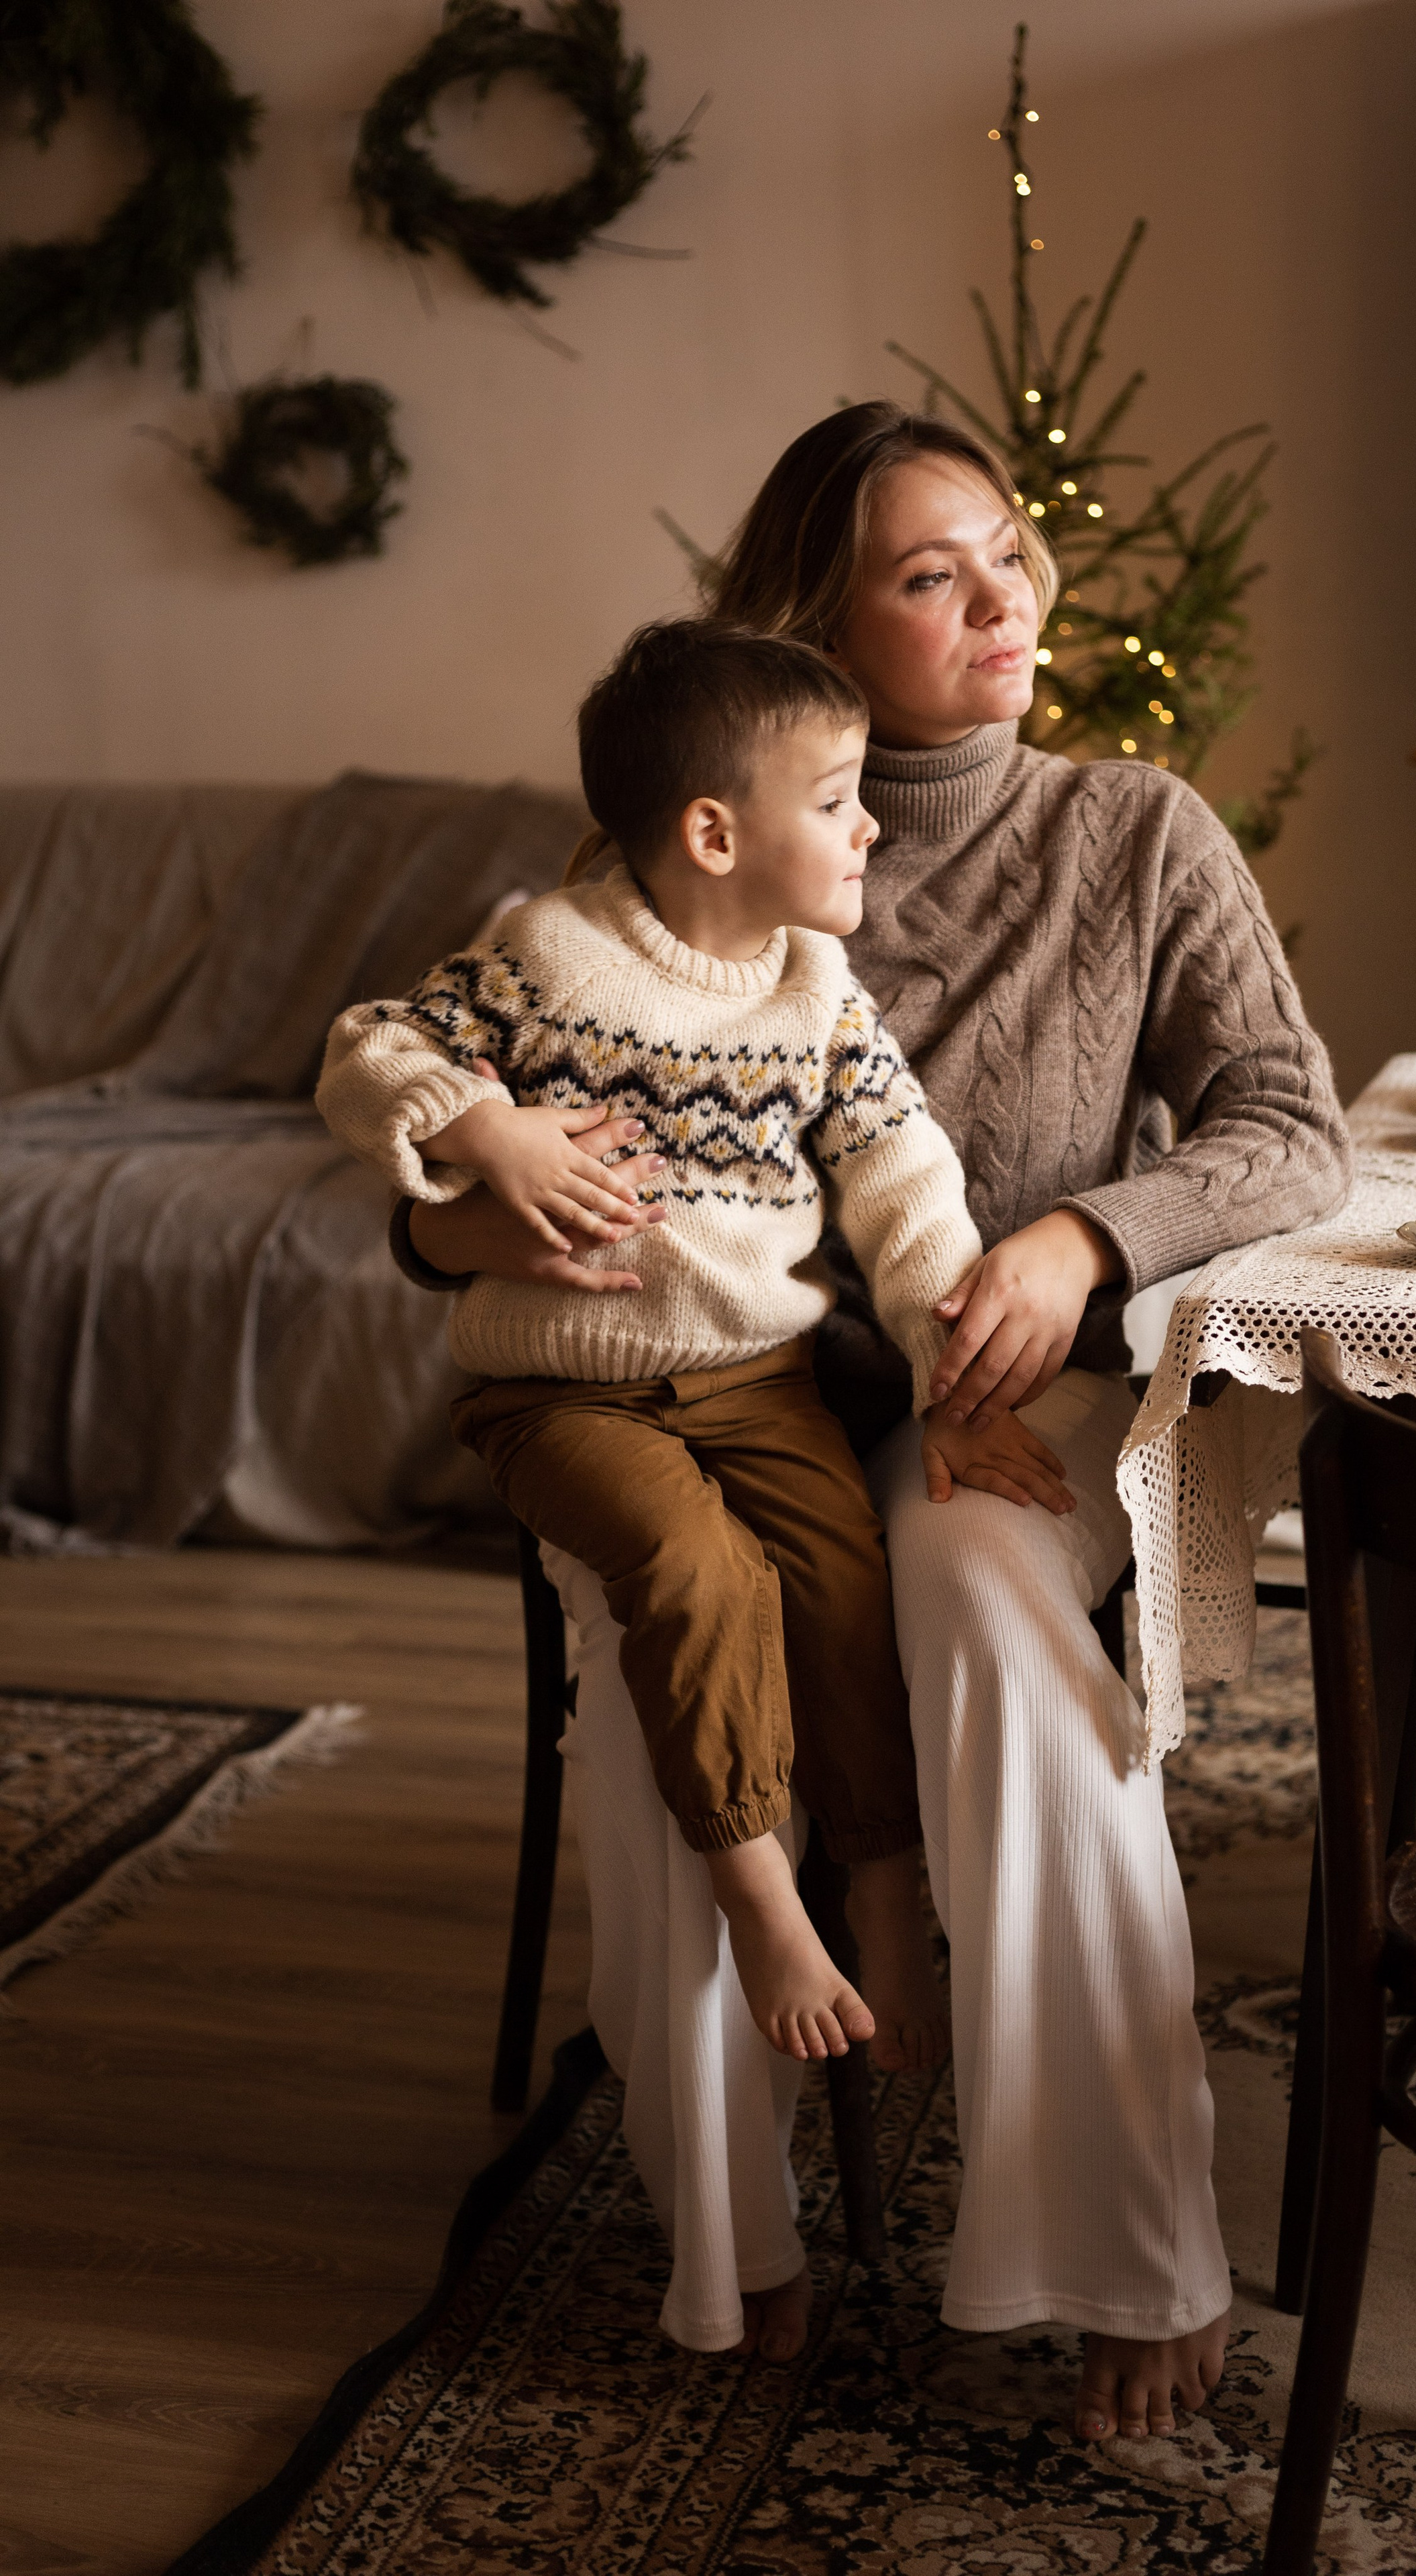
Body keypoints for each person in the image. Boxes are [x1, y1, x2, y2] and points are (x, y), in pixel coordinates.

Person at [396, 403, 1352, 2427]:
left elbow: (1291, 1124)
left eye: (1009, 549)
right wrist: (478, 1213)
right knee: (673, 1621)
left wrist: (1086, 1240)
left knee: (975, 1584)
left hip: (1007, 1404)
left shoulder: (1134, 834)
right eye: (934, 573)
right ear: (821, 624)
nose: (1004, 594)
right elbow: (477, 1164)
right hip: (712, 1400)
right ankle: (728, 2246)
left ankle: (1128, 2233)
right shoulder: (697, 847)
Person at [321, 619, 1059, 2071]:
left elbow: (904, 1186)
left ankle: (884, 1883)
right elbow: (367, 1050)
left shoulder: (816, 996)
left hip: (756, 1384)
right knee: (694, 1572)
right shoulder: (550, 955)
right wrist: (486, 1126)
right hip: (558, 1398)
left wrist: (955, 1380)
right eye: (841, 795)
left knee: (845, 1581)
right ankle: (759, 1894)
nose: (870, 825)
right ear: (714, 832)